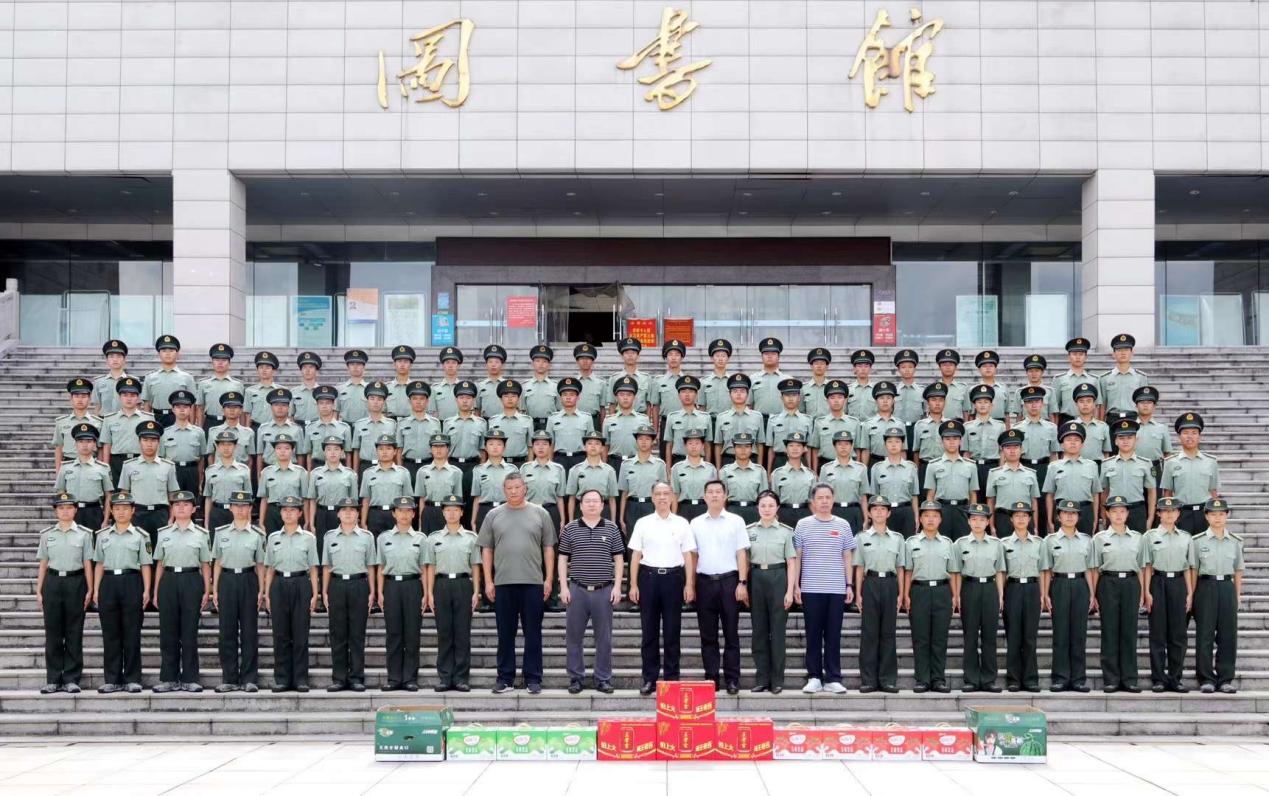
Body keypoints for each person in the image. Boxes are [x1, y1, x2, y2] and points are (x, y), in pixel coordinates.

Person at [479, 472, 556, 695]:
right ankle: (505, 678)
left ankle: (533, 678)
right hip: (503, 583)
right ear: (504, 490)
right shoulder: (493, 515)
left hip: (533, 583)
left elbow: (548, 548)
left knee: (533, 633)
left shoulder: (540, 513)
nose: (513, 491)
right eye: (509, 488)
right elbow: (487, 549)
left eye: (517, 487)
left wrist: (548, 579)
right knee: (505, 634)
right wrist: (488, 581)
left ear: (525, 488)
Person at [628, 481, 697, 695]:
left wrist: (689, 583)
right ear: (652, 497)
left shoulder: (682, 523)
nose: (662, 497)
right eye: (658, 493)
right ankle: (649, 678)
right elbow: (636, 555)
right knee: (649, 632)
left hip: (673, 579)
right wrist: (633, 585)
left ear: (672, 497)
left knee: (672, 632)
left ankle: (671, 679)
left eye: (666, 493)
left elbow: (688, 555)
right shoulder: (643, 523)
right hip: (648, 578)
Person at [558, 489, 625, 694]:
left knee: (604, 638)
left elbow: (619, 558)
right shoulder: (570, 528)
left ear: (602, 505)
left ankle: (602, 678)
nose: (592, 504)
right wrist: (563, 587)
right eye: (587, 501)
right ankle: (576, 678)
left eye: (596, 501)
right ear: (580, 505)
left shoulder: (612, 528)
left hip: (603, 590)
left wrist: (617, 586)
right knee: (573, 637)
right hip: (577, 590)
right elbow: (562, 558)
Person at [794, 483, 855, 694]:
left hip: (836, 588)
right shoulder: (803, 524)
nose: (824, 501)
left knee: (833, 635)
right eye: (820, 497)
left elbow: (847, 556)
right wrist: (796, 585)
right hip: (811, 588)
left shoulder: (843, 525)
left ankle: (833, 678)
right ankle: (814, 677)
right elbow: (798, 557)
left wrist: (849, 584)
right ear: (813, 501)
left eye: (828, 497)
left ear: (833, 499)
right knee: (812, 634)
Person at [690, 480, 750, 694]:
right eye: (710, 492)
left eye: (718, 492)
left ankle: (732, 679)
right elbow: (693, 556)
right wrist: (691, 584)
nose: (714, 495)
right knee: (708, 635)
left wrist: (742, 582)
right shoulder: (695, 523)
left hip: (729, 582)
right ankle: (712, 677)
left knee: (731, 633)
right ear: (704, 496)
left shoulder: (736, 521)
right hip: (704, 582)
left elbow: (741, 553)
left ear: (725, 496)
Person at [151, 491, 211, 693]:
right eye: (177, 505)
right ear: (172, 509)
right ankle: (169, 678)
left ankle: (190, 678)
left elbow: (205, 564)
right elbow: (160, 564)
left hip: (191, 580)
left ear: (193, 509)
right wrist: (156, 590)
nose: (181, 508)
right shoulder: (164, 533)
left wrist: (207, 590)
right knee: (168, 632)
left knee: (189, 632)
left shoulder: (201, 534)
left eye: (186, 505)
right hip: (169, 580)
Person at [35, 493, 95, 694]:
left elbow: (87, 563)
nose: (65, 511)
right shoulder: (47, 535)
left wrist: (90, 589)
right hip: (52, 582)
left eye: (69, 507)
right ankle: (53, 678)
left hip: (76, 582)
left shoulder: (84, 535)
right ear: (56, 511)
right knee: (52, 631)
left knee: (74, 631)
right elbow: (43, 563)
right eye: (61, 508)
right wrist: (39, 590)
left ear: (75, 510)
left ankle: (71, 678)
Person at [92, 492, 151, 694]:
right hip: (108, 583)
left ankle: (132, 678)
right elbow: (99, 563)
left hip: (132, 581)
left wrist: (147, 590)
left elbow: (145, 564)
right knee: (110, 633)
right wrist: (96, 589)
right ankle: (112, 679)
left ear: (133, 511)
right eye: (117, 508)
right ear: (111, 511)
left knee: (132, 632)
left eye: (125, 508)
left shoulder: (141, 536)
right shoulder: (102, 536)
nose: (121, 512)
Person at [263, 495, 320, 692]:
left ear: (300, 513)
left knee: (300, 634)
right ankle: (282, 679)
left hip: (301, 583)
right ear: (280, 513)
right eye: (285, 510)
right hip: (279, 584)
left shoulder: (309, 538)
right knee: (280, 634)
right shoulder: (273, 538)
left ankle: (301, 679)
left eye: (292, 510)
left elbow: (313, 568)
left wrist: (315, 594)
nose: (288, 513)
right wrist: (267, 594)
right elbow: (269, 568)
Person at [210, 491, 265, 693]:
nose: (240, 509)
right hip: (227, 580)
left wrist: (262, 590)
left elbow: (260, 565)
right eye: (236, 506)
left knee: (249, 631)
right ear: (231, 508)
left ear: (250, 508)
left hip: (249, 580)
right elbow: (217, 562)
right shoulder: (221, 533)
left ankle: (250, 678)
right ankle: (230, 678)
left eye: (244, 506)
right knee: (227, 631)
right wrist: (215, 589)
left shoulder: (258, 535)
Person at [377, 496, 432, 692]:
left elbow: (424, 568)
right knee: (393, 633)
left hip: (412, 586)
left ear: (413, 514)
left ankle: (410, 678)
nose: (404, 514)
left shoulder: (421, 539)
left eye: (408, 511)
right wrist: (379, 592)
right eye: (400, 510)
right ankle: (393, 678)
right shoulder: (383, 538)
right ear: (394, 513)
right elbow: (380, 567)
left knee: (412, 633)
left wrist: (426, 593)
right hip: (391, 586)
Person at [323, 496, 378, 692]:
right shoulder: (330, 537)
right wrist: (324, 591)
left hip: (359, 585)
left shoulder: (367, 537)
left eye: (352, 510)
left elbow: (371, 566)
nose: (348, 513)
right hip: (337, 585)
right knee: (337, 633)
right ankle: (339, 678)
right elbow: (327, 566)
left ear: (357, 514)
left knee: (357, 633)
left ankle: (356, 677)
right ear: (338, 514)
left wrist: (372, 591)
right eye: (344, 510)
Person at [1092, 494, 1146, 693]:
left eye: (1122, 511)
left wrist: (1143, 592)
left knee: (1129, 631)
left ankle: (1130, 678)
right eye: (1114, 511)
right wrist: (1093, 594)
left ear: (1128, 513)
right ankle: (1111, 679)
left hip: (1131, 583)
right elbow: (1094, 568)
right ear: (1107, 513)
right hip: (1108, 583)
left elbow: (1142, 567)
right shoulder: (1099, 539)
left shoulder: (1138, 538)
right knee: (1110, 631)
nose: (1118, 515)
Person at [428, 495, 481, 692]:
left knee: (462, 633)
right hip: (441, 585)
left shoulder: (471, 538)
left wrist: (476, 591)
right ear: (443, 513)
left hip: (463, 585)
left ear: (461, 512)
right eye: (448, 510)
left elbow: (475, 566)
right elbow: (431, 567)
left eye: (455, 509)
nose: (451, 513)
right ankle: (444, 677)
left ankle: (461, 678)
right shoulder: (433, 538)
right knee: (444, 633)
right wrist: (429, 592)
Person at [746, 491, 797, 694]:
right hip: (756, 578)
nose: (766, 509)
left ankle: (777, 680)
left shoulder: (786, 532)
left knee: (777, 632)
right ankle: (762, 678)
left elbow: (791, 563)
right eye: (763, 505)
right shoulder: (749, 530)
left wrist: (790, 591)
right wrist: (744, 585)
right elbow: (745, 561)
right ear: (757, 508)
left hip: (778, 577)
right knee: (758, 631)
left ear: (777, 508)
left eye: (770, 505)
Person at [1190, 498, 1242, 694]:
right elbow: (1194, 570)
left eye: (1221, 514)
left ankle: (1225, 678)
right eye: (1213, 514)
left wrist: (1237, 595)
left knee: (1228, 635)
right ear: (1206, 516)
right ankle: (1206, 678)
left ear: (1227, 515)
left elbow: (1238, 570)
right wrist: (1192, 594)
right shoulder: (1198, 541)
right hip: (1205, 586)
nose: (1217, 518)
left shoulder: (1235, 541)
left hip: (1227, 587)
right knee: (1205, 634)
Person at [853, 496, 905, 694]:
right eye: (875, 509)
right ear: (869, 513)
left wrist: (901, 593)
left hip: (890, 584)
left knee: (888, 633)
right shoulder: (862, 538)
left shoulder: (897, 538)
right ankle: (868, 680)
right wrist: (858, 594)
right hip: (871, 583)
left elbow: (900, 568)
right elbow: (859, 567)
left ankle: (887, 679)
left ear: (889, 513)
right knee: (869, 633)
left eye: (883, 509)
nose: (879, 512)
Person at [903, 501, 955, 693]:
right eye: (926, 515)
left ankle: (938, 679)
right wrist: (906, 594)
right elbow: (908, 571)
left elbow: (953, 572)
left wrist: (954, 596)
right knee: (921, 637)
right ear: (921, 519)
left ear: (940, 519)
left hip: (942, 591)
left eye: (934, 516)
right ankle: (922, 679)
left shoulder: (948, 543)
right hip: (919, 591)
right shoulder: (911, 543)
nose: (930, 519)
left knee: (940, 638)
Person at [1043, 499, 1095, 692]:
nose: (1069, 516)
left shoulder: (1087, 540)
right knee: (1061, 633)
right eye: (1065, 513)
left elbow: (1090, 569)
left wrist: (1092, 593)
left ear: (1078, 517)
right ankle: (1060, 678)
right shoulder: (1050, 541)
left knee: (1079, 634)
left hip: (1080, 584)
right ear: (1058, 517)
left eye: (1073, 513)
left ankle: (1078, 679)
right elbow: (1046, 570)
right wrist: (1045, 594)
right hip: (1060, 584)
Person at [1142, 496, 1192, 693]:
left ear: (1178, 513)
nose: (1170, 514)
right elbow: (1147, 566)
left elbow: (1188, 567)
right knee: (1158, 633)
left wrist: (1189, 593)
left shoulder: (1186, 537)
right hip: (1158, 582)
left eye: (1173, 511)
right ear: (1159, 514)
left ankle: (1175, 678)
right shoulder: (1150, 536)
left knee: (1178, 634)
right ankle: (1159, 679)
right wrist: (1146, 592)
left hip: (1179, 583)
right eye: (1165, 511)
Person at [953, 503, 1005, 692]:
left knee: (990, 636)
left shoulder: (996, 544)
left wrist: (1000, 595)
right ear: (968, 521)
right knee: (970, 636)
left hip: (990, 588)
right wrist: (957, 595)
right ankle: (971, 679)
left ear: (988, 522)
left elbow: (999, 571)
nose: (977, 523)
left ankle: (989, 679)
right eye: (974, 519)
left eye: (982, 519)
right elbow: (956, 572)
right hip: (969, 588)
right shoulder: (960, 544)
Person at [1001, 501, 1046, 693]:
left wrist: (1043, 594)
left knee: (1029, 636)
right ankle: (1013, 679)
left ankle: (1030, 679)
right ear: (1011, 519)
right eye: (1017, 516)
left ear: (1029, 519)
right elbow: (1001, 572)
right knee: (1013, 636)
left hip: (1032, 588)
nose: (1021, 519)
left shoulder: (1039, 543)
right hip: (1012, 588)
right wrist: (1001, 596)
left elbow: (1043, 570)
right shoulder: (1003, 544)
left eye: (1024, 516)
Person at [117, 420, 179, 544]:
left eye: (153, 440)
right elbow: (124, 494)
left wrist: (172, 518)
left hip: (160, 515)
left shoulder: (168, 466)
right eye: (145, 440)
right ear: (139, 442)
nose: (149, 444)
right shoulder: (129, 466)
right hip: (137, 514)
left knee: (160, 550)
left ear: (158, 442)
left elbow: (172, 496)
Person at [1162, 412, 1221, 534]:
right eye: (1185, 433)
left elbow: (1213, 492)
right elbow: (1167, 493)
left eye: (1194, 433)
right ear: (1179, 437)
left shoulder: (1211, 462)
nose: (1190, 436)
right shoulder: (1170, 462)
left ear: (1200, 436)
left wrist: (1216, 516)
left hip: (1204, 514)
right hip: (1181, 514)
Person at [1012, 386, 1059, 532]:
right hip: (1025, 468)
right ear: (1024, 405)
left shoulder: (1051, 428)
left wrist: (1054, 474)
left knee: (1044, 505)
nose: (1033, 405)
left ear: (1042, 404)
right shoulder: (1017, 428)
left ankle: (1043, 536)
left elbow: (1053, 454)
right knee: (1025, 505)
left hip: (1044, 469)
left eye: (1037, 401)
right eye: (1029, 402)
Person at [1042, 421, 1101, 534]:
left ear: (1082, 444)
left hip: (1085, 512)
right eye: (1068, 440)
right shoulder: (1053, 467)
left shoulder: (1092, 466)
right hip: (1063, 512)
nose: (1073, 443)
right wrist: (1049, 520)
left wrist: (1094, 519)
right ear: (1062, 445)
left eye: (1076, 440)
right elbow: (1050, 495)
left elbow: (1095, 494)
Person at [924, 419, 978, 540]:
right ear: (942, 441)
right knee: (941, 544)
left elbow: (973, 494)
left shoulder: (971, 466)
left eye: (955, 438)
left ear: (960, 441)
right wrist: (931, 515)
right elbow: (930, 495)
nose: (951, 442)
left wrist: (973, 516)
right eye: (947, 439)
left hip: (963, 510)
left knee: (963, 544)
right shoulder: (933, 465)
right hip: (942, 510)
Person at [54, 422, 113, 531]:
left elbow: (108, 495)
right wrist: (63, 518)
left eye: (89, 441)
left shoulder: (103, 468)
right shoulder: (65, 467)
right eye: (81, 441)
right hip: (72, 512)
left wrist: (105, 520)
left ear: (94, 444)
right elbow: (60, 493)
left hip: (94, 512)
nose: (85, 445)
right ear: (75, 444)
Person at [1101, 418, 1156, 531]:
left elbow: (1151, 491)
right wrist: (1104, 515)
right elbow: (1104, 492)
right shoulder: (1106, 464)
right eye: (1121, 438)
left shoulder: (1145, 463)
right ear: (1116, 441)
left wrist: (1150, 518)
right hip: (1114, 511)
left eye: (1129, 438)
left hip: (1137, 511)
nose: (1125, 441)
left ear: (1136, 440)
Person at [99, 376, 152, 490]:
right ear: (119, 397)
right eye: (125, 395)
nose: (129, 399)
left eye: (132, 395)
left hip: (140, 460)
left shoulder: (148, 419)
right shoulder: (109, 419)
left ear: (138, 398)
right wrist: (106, 468)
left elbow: (153, 443)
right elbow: (107, 445)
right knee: (118, 496)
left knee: (139, 494)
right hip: (117, 462)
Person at [986, 429, 1039, 535]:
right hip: (1003, 518)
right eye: (1008, 447)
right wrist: (992, 527)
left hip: (1024, 517)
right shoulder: (994, 473)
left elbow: (1034, 502)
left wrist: (1035, 527)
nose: (1012, 451)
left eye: (1015, 447)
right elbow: (991, 501)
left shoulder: (1031, 473)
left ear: (1021, 449)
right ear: (1002, 450)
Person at [870, 427, 920, 536]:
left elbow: (914, 495)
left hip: (906, 512)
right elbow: (875, 496)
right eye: (890, 442)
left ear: (902, 444)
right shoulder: (877, 468)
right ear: (885, 444)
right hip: (885, 512)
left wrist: (916, 516)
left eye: (897, 441)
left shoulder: (911, 467)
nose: (893, 445)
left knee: (907, 542)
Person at [306, 435, 358, 538]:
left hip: (342, 515)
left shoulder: (350, 474)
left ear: (342, 452)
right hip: (322, 514)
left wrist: (354, 522)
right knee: (321, 544)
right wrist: (311, 524)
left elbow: (354, 502)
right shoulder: (315, 473)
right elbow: (312, 500)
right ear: (324, 452)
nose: (332, 453)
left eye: (336, 449)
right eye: (328, 449)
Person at [817, 431, 868, 533]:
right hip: (834, 511)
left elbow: (863, 496)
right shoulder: (826, 468)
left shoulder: (861, 468)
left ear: (852, 446)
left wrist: (866, 519)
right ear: (834, 446)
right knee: (833, 541)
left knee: (855, 542)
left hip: (854, 512)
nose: (843, 447)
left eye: (847, 444)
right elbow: (822, 496)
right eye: (839, 444)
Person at [141, 335, 196, 429]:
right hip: (157, 418)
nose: (167, 353)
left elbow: (192, 405)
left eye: (171, 350)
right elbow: (147, 404)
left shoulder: (187, 377)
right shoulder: (150, 378)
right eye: (164, 351)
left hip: (179, 418)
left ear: (177, 354)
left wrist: (191, 426)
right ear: (159, 354)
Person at [618, 426, 664, 539]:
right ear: (636, 441)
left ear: (653, 442)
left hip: (652, 506)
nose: (644, 442)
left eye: (647, 439)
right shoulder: (626, 464)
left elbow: (663, 493)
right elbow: (624, 493)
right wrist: (621, 518)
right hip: (632, 506)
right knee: (632, 542)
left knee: (653, 541)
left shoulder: (659, 465)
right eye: (640, 439)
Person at [442, 380, 486, 499]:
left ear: (473, 400)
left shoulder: (481, 423)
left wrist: (482, 470)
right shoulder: (448, 423)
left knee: (471, 499)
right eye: (461, 397)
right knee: (453, 500)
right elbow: (444, 449)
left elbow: (483, 450)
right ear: (456, 400)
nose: (465, 401)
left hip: (473, 466)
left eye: (468, 398)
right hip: (453, 464)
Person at [257, 433, 309, 533]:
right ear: (274, 450)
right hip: (273, 512)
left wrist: (307, 521)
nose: (282, 451)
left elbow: (305, 500)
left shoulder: (301, 472)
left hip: (293, 511)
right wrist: (261, 522)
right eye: (279, 448)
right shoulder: (266, 472)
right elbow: (264, 499)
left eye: (287, 448)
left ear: (292, 450)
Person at [160, 389, 206, 498]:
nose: (182, 410)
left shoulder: (199, 432)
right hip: (173, 471)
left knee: (191, 501)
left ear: (190, 409)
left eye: (185, 407)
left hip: (192, 471)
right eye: (178, 407)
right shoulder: (165, 433)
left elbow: (201, 458)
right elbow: (161, 458)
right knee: (173, 501)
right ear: (173, 409)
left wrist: (200, 478)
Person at [713, 373, 766, 468]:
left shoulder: (757, 417)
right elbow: (718, 445)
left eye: (742, 391)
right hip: (728, 460)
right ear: (730, 394)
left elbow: (760, 444)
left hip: (751, 461)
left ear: (747, 394)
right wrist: (718, 469)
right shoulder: (721, 417)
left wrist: (760, 467)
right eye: (735, 391)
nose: (738, 394)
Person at [204, 430, 253, 533]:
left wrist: (248, 521)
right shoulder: (210, 470)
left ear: (235, 446)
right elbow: (208, 497)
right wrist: (206, 522)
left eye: (229, 444)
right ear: (217, 447)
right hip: (217, 512)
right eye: (222, 444)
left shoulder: (244, 470)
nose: (226, 448)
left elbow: (248, 499)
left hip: (237, 512)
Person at [470, 429, 520, 528]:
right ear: (485, 447)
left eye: (499, 444)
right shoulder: (478, 470)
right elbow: (477, 497)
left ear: (504, 447)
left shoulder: (512, 469)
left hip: (507, 510)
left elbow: (517, 496)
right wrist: (473, 520)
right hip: (485, 511)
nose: (495, 447)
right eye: (491, 444)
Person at [416, 434, 464, 533]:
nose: (438, 449)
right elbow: (421, 499)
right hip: (428, 511)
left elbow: (457, 501)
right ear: (431, 449)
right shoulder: (422, 472)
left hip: (447, 512)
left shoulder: (456, 472)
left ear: (448, 449)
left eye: (442, 446)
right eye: (435, 446)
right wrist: (421, 521)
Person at [566, 431, 619, 522]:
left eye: (597, 443)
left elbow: (612, 498)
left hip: (603, 511)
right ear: (584, 447)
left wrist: (613, 522)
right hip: (581, 511)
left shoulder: (609, 471)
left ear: (602, 448)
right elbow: (572, 498)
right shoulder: (575, 470)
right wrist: (571, 521)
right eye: (589, 443)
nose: (593, 446)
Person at [602, 376, 651, 472]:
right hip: (614, 462)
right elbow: (605, 446)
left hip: (637, 462)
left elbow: (648, 446)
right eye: (621, 395)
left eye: (629, 395)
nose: (625, 398)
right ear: (616, 397)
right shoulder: (608, 421)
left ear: (634, 397)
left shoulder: (643, 420)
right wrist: (604, 467)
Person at [521, 430, 568, 532]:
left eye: (545, 444)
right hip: (529, 511)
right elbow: (521, 495)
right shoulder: (525, 468)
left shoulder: (558, 469)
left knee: (551, 541)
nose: (541, 447)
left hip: (551, 511)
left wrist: (562, 519)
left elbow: (559, 497)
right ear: (533, 447)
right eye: (537, 444)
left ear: (550, 447)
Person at [256, 387, 310, 474]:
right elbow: (259, 454)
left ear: (288, 407)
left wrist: (300, 475)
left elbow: (300, 455)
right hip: (269, 470)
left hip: (292, 471)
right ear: (271, 407)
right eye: (276, 405)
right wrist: (259, 476)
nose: (280, 408)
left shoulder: (297, 429)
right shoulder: (263, 429)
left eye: (284, 405)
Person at [810, 379, 861, 470]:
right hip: (825, 465)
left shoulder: (854, 422)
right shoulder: (820, 422)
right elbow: (815, 449)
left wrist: (858, 468)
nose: (836, 400)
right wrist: (814, 471)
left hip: (849, 466)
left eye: (840, 397)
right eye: (832, 397)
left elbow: (858, 449)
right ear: (827, 400)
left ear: (845, 399)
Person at [662, 375, 713, 467]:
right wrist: (668, 468)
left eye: (691, 391)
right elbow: (669, 445)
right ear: (679, 395)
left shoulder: (705, 417)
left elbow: (707, 445)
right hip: (678, 461)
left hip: (700, 462)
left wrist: (708, 466)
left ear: (696, 395)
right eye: (683, 391)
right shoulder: (672, 417)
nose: (687, 395)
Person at [547, 377, 594, 475]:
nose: (568, 397)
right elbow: (550, 444)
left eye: (572, 394)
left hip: (580, 459)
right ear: (560, 398)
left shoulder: (587, 418)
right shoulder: (552, 418)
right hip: (559, 459)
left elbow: (590, 444)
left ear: (578, 397)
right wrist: (550, 465)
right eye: (565, 394)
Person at [52, 377, 100, 470]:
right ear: (71, 398)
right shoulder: (61, 422)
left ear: (89, 398)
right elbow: (59, 448)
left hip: (91, 465)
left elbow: (100, 449)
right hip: (68, 464)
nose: (80, 399)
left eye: (84, 396)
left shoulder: (98, 422)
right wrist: (58, 472)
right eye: (76, 396)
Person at [719, 432, 767, 525]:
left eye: (747, 446)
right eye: (739, 447)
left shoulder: (760, 471)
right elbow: (722, 498)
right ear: (734, 449)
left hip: (754, 511)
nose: (743, 450)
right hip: (732, 511)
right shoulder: (725, 471)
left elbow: (764, 498)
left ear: (751, 449)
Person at [1051, 338, 1101, 425]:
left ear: (1086, 357)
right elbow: (1055, 408)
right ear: (1069, 357)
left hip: (1088, 422)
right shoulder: (1059, 379)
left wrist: (1096, 425)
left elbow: (1096, 406)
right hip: (1066, 421)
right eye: (1074, 354)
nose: (1078, 357)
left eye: (1081, 354)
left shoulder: (1094, 380)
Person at [670, 429, 717, 522]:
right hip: (684, 509)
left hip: (704, 508)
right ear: (685, 446)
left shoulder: (710, 469)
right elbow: (675, 494)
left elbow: (714, 495)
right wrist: (674, 517)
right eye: (690, 443)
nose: (694, 446)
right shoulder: (677, 468)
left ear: (703, 446)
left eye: (697, 443)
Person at [770, 432, 816, 528]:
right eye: (791, 445)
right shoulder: (777, 474)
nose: (795, 448)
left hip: (805, 513)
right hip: (783, 513)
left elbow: (813, 500)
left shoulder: (810, 474)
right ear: (786, 449)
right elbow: (773, 499)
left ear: (804, 449)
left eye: (798, 445)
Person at [765, 378, 811, 470]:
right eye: (787, 395)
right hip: (779, 461)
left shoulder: (807, 420)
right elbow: (771, 449)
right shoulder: (773, 420)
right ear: (781, 398)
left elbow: (808, 448)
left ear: (799, 398)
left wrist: (810, 469)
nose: (790, 398)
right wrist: (769, 472)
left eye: (794, 395)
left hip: (800, 462)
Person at [350, 382, 395, 475]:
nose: (375, 402)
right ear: (367, 401)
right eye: (372, 398)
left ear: (384, 402)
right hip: (365, 466)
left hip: (386, 467)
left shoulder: (392, 424)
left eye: (379, 399)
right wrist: (355, 473)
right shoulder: (359, 424)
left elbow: (395, 450)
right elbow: (356, 450)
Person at [196, 343, 244, 431]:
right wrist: (199, 429)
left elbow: (241, 409)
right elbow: (200, 408)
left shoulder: (238, 385)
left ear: (229, 363)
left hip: (231, 422)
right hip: (210, 422)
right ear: (212, 362)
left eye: (224, 360)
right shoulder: (203, 384)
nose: (220, 363)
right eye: (217, 359)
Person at [1100, 333, 1149, 417]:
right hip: (1112, 420)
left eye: (1126, 349)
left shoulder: (1141, 377)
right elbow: (1102, 405)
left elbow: (1145, 403)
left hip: (1133, 419)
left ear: (1132, 353)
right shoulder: (1105, 378)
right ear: (1113, 354)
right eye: (1119, 350)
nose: (1123, 353)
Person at [305, 385, 352, 470]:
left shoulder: (344, 428)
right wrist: (309, 473)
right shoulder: (310, 428)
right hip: (317, 466)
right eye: (321, 403)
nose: (324, 406)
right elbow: (309, 453)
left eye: (328, 403)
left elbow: (348, 453)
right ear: (317, 405)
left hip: (339, 468)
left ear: (333, 405)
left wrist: (348, 471)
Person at [487, 379, 534, 465]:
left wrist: (529, 466)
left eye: (513, 396)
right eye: (506, 396)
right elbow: (488, 447)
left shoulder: (527, 420)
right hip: (499, 464)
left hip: (520, 463)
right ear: (501, 399)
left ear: (518, 399)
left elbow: (530, 447)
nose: (510, 399)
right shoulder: (493, 421)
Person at [1132, 386, 1172, 486]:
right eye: (1142, 402)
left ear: (1154, 406)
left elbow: (1167, 454)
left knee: (1156, 495)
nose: (1145, 405)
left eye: (1149, 402)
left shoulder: (1162, 428)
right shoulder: (1130, 427)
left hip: (1155, 467)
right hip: (1134, 466)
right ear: (1136, 406)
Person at [204, 391, 254, 469]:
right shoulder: (214, 431)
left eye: (235, 407)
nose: (232, 410)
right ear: (222, 410)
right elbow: (211, 455)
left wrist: (246, 473)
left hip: (240, 473)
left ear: (241, 410)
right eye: (228, 407)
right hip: (219, 472)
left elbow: (250, 459)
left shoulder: (248, 433)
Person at [861, 382, 905, 470]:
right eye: (881, 398)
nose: (885, 401)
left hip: (895, 463)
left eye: (888, 398)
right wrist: (864, 470)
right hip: (874, 462)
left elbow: (903, 450)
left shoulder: (900, 424)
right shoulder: (868, 424)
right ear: (876, 401)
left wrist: (903, 468)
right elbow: (866, 450)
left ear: (893, 401)